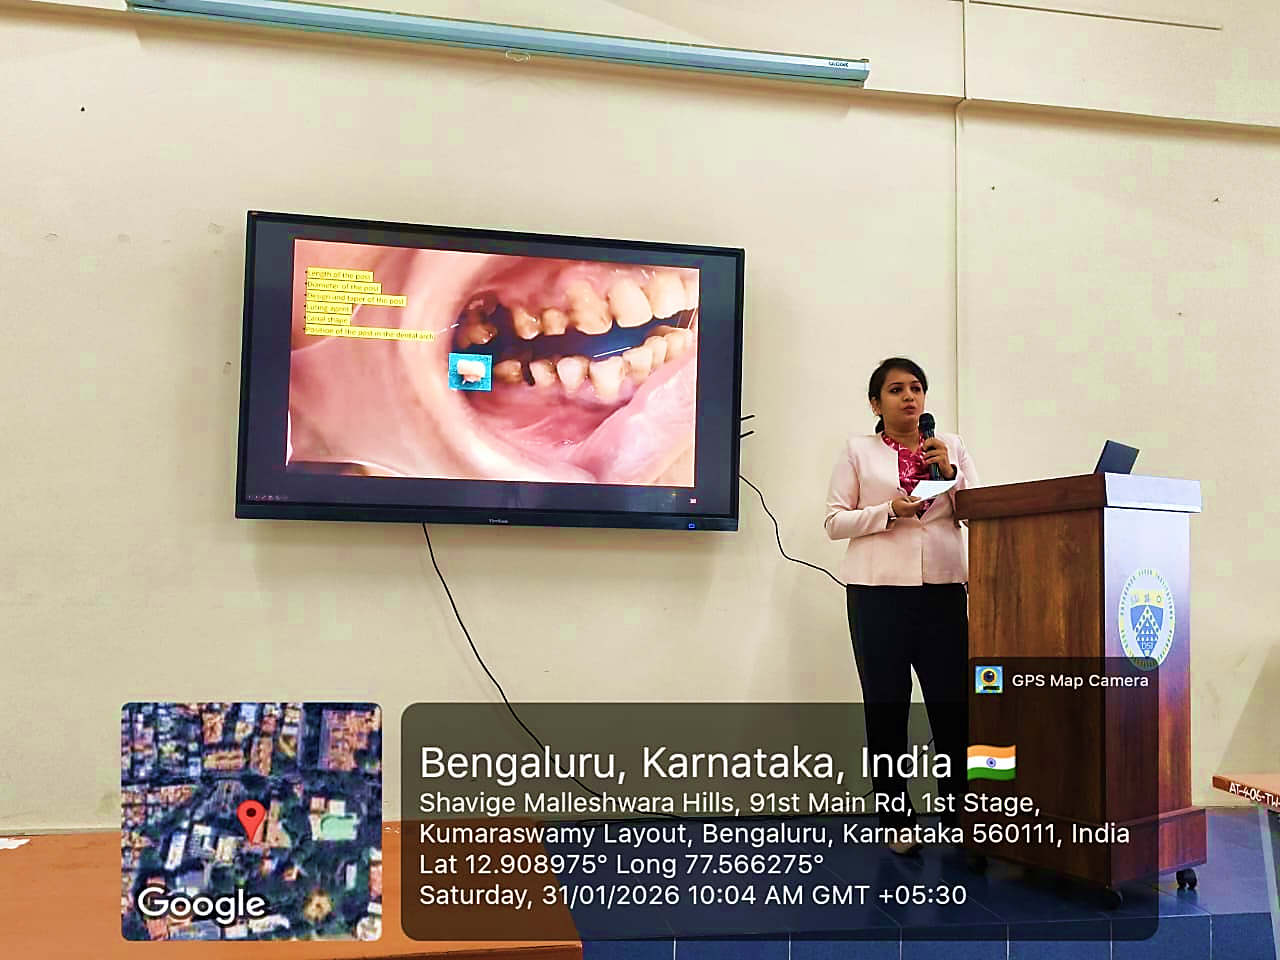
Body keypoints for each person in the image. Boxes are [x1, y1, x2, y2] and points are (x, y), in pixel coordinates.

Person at [824, 357, 978, 855]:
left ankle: (962, 810)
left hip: (943, 589)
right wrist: (887, 511)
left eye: (916, 388)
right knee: (887, 707)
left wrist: (951, 475)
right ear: (876, 403)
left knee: (954, 706)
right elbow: (832, 522)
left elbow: (981, 510)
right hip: (877, 594)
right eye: (895, 390)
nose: (909, 397)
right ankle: (897, 818)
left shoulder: (949, 446)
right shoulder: (857, 452)